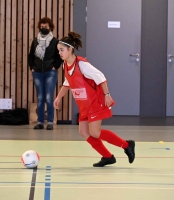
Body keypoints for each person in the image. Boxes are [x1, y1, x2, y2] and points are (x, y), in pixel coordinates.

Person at [54, 32, 135, 167]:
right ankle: (108, 156)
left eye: (61, 50)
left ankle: (127, 145)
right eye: (58, 51)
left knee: (95, 132)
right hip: (84, 105)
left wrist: (107, 95)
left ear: (70, 49)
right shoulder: (65, 65)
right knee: (83, 132)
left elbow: (101, 77)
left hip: (95, 102)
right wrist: (58, 98)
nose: (60, 53)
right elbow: (67, 83)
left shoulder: (82, 65)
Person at [28, 17, 62, 130]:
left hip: (50, 72)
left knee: (49, 97)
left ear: (50, 27)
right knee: (40, 97)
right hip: (37, 72)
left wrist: (55, 66)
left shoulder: (55, 41)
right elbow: (31, 55)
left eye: (46, 27)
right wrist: (32, 67)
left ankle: (51, 122)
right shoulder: (35, 41)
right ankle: (40, 122)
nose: (44, 29)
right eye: (42, 27)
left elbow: (60, 56)